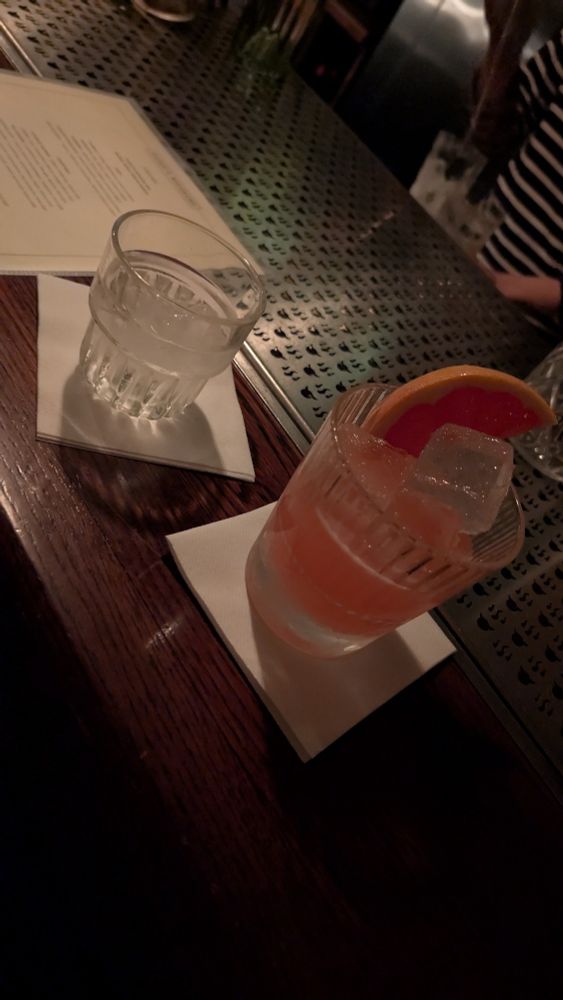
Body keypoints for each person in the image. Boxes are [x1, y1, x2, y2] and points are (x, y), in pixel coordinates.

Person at [473, 3, 563, 332]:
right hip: (476, 259)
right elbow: (492, 136)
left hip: (534, 331)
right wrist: (504, 41)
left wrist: (510, 286)